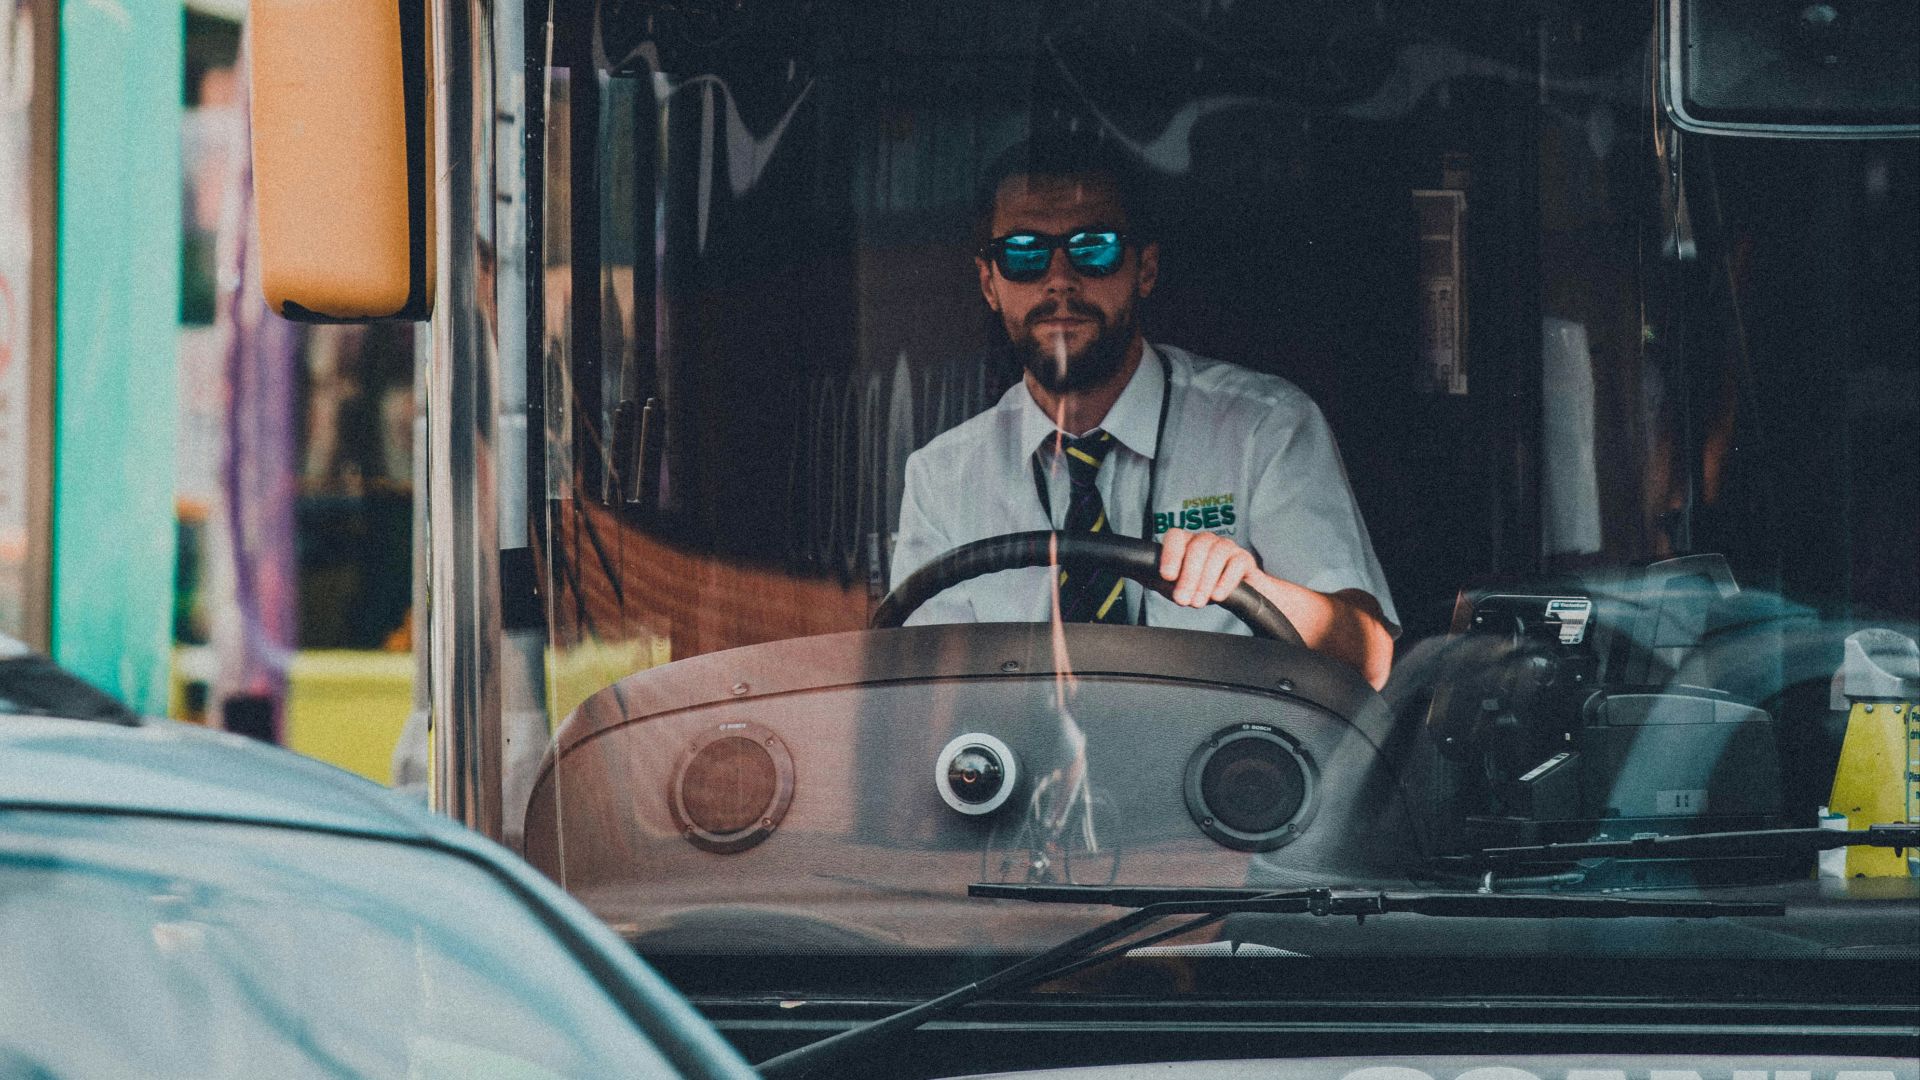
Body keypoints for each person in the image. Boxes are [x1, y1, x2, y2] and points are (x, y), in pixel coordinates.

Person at [891, 136, 1397, 689]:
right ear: (990, 284)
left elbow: (1369, 658)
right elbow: (920, 697)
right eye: (1023, 254)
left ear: (1146, 269)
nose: (1060, 278)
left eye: (1095, 248)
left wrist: (1250, 586)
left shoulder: (1263, 428)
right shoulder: (942, 477)